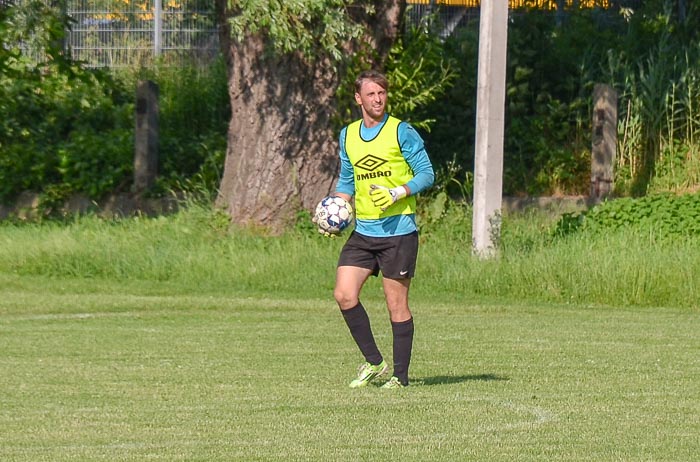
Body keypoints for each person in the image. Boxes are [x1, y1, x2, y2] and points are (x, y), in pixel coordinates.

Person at [319, 70, 434, 389]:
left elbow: (427, 173)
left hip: (398, 233)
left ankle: (400, 377)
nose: (378, 99)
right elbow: (346, 180)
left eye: (382, 93)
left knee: (395, 304)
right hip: (364, 233)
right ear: (358, 99)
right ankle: (374, 363)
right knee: (343, 294)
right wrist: (336, 212)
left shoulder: (401, 131)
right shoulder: (348, 135)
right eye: (371, 94)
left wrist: (399, 192)